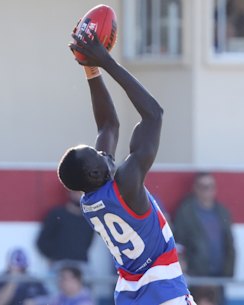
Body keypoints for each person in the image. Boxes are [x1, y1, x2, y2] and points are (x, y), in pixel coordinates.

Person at [58, 28, 194, 304]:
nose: (103, 152)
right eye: (96, 155)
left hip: (130, 294)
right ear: (94, 172)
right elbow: (153, 115)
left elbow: (108, 125)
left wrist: (91, 69)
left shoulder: (90, 198)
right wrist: (107, 61)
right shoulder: (127, 182)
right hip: (163, 290)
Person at [173, 172, 235, 304]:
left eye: (210, 186)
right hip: (196, 278)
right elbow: (179, 243)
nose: (206, 190)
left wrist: (228, 273)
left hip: (219, 278)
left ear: (215, 189)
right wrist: (189, 272)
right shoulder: (186, 212)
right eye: (202, 186)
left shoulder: (222, 211)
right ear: (195, 188)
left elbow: (229, 243)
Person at [36, 190, 94, 274]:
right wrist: (53, 257)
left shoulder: (89, 218)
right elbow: (42, 241)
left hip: (82, 265)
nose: (79, 196)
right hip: (59, 264)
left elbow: (88, 242)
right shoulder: (56, 214)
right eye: (76, 192)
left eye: (82, 193)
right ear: (69, 193)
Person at [25, 265, 94, 305]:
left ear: (77, 280)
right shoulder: (62, 296)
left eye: (64, 278)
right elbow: (48, 300)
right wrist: (34, 302)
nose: (60, 281)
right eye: (60, 278)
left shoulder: (85, 302)